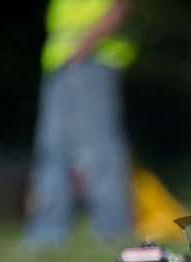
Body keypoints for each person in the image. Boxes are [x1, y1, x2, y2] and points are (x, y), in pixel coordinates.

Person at [23, 0, 136, 247]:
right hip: (60, 62)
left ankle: (112, 229)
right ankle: (48, 235)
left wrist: (84, 46)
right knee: (53, 150)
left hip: (91, 58)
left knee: (99, 150)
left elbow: (121, 5)